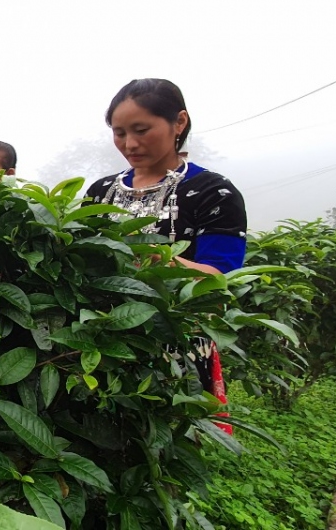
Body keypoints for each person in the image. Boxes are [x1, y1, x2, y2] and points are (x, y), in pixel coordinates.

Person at [84, 78, 246, 433]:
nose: (130, 144)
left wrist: (156, 259)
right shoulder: (100, 191)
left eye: (141, 130)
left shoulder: (211, 192)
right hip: (100, 341)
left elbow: (222, 280)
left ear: (179, 122)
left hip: (176, 346)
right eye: (119, 132)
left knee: (161, 452)